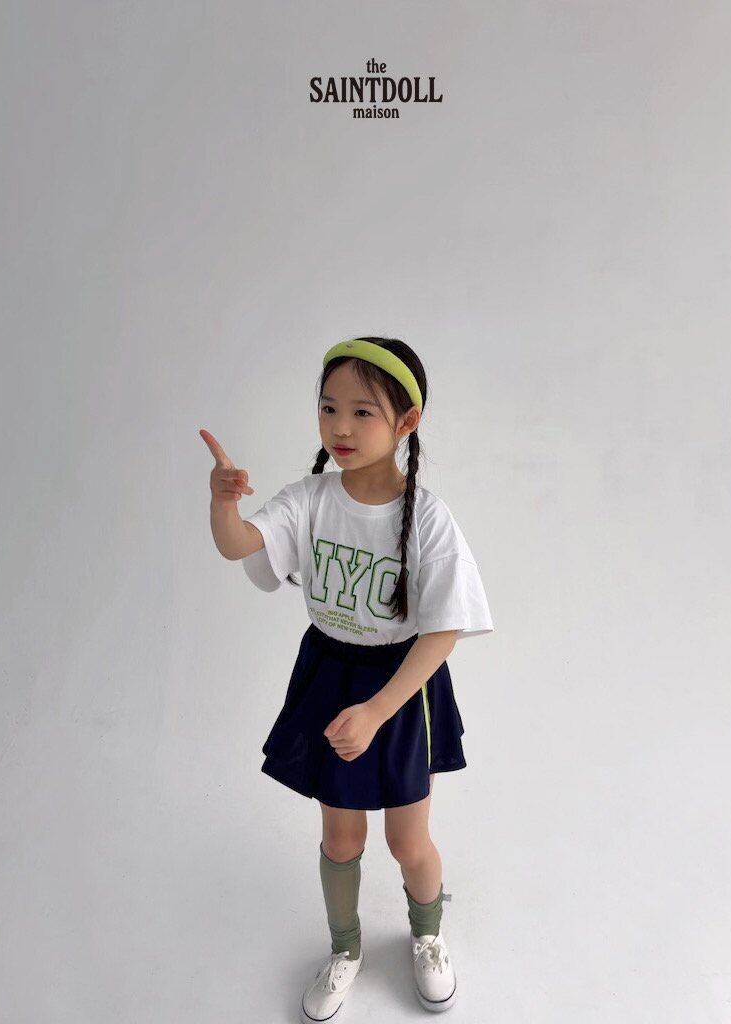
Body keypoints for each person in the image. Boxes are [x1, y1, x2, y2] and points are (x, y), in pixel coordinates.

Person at [200, 336, 494, 1021]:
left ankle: (427, 936)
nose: (340, 426)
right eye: (329, 407)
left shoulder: (427, 517)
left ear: (406, 422)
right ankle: (345, 947)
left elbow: (443, 631)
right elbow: (240, 544)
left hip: (400, 688)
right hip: (330, 675)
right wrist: (222, 504)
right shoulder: (308, 498)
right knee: (341, 839)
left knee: (406, 840)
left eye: (363, 412)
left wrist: (378, 710)